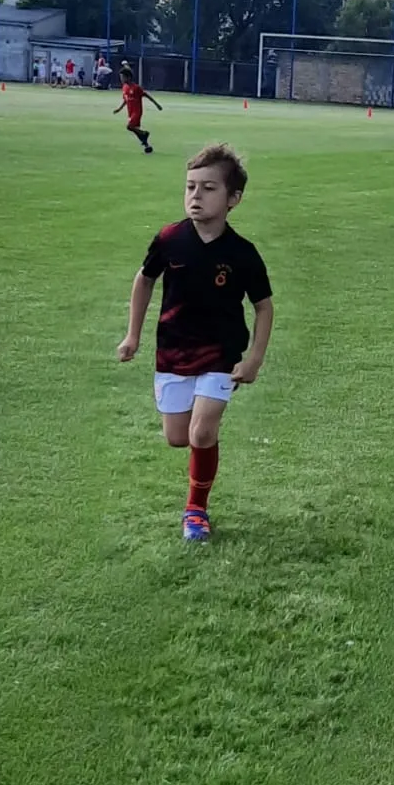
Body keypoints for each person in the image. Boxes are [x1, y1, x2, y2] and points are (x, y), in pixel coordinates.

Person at [117, 143, 274, 543]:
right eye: (190, 187)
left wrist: (254, 359)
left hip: (221, 355)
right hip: (173, 351)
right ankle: (201, 448)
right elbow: (144, 280)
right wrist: (133, 335)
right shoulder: (170, 239)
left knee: (202, 432)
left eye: (208, 188)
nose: (195, 196)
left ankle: (196, 511)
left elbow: (263, 307)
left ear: (233, 199)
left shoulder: (242, 254)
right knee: (178, 437)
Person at [114, 65, 162, 154]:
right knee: (136, 130)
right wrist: (119, 109)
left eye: (123, 77)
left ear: (128, 77)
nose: (121, 79)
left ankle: (145, 134)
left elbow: (146, 95)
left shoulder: (136, 88)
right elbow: (125, 100)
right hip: (130, 112)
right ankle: (147, 146)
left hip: (137, 112)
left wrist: (157, 104)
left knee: (130, 127)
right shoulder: (124, 87)